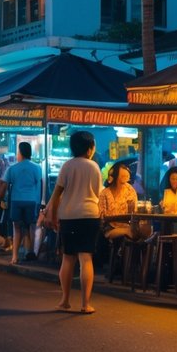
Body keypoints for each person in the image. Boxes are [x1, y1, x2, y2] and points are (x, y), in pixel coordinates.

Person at [45, 131, 102, 314]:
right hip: (90, 215)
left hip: (69, 215)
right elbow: (98, 194)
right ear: (89, 148)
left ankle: (65, 301)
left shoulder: (67, 166)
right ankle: (85, 304)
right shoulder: (94, 167)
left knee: (68, 258)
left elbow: (56, 194)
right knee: (86, 258)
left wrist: (52, 215)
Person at [4, 141, 42, 264]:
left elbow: (5, 185)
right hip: (31, 200)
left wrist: (3, 199)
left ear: (20, 153)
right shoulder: (37, 167)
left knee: (17, 228)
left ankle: (15, 257)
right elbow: (39, 185)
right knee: (30, 226)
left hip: (16, 200)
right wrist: (39, 202)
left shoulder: (12, 168)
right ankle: (29, 252)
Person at [99, 162, 139, 242]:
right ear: (114, 177)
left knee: (138, 231)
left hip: (127, 225)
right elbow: (102, 217)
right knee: (129, 233)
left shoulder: (129, 190)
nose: (125, 180)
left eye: (127, 177)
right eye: (122, 176)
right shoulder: (105, 193)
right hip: (109, 228)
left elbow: (134, 211)